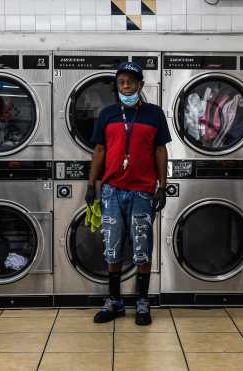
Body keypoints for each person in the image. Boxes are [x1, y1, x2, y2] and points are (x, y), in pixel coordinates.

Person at [85, 61, 171, 326]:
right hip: (112, 191)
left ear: (140, 85)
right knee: (112, 248)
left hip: (143, 192)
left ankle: (142, 303)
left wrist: (162, 186)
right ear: (116, 86)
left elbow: (160, 151)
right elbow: (99, 151)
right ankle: (114, 302)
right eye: (121, 82)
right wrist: (91, 185)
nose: (126, 86)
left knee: (142, 249)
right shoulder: (107, 114)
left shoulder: (154, 114)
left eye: (131, 82)